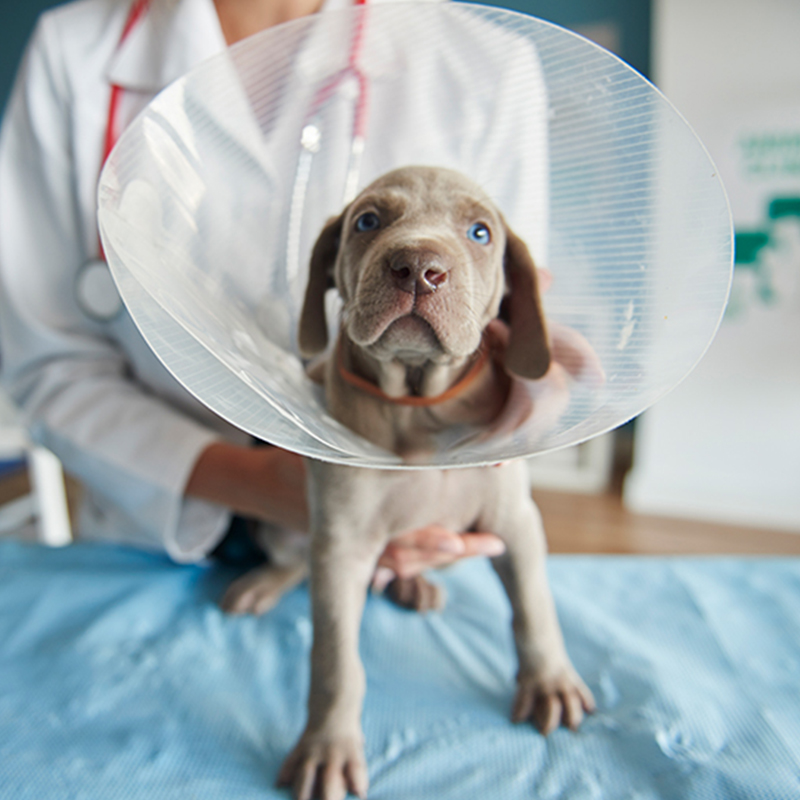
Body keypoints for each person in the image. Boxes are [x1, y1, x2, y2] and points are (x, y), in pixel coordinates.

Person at [0, 0, 507, 579]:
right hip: (154, 534)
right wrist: (262, 485)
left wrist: (541, 388)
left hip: (391, 544)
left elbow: (508, 323)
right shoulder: (73, 52)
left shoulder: (486, 65)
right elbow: (49, 365)